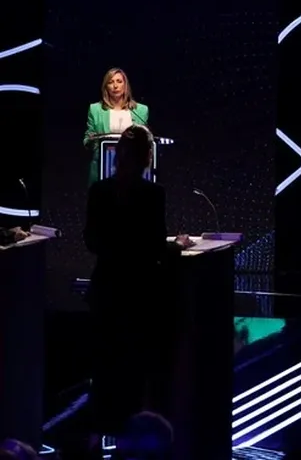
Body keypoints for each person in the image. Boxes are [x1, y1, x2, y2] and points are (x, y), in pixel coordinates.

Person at [84, 126, 192, 440]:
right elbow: (155, 246)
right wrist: (177, 246)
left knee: (105, 374)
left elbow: (91, 241)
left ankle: (102, 439)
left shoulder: (99, 191)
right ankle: (133, 442)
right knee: (133, 377)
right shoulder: (152, 194)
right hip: (139, 298)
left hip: (106, 293)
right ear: (147, 157)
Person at [84, 67, 150, 184]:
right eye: (111, 82)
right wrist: (95, 142)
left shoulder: (141, 110)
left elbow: (144, 141)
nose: (115, 86)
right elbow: (87, 141)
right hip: (103, 167)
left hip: (133, 170)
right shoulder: (95, 110)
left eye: (119, 81)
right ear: (106, 87)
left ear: (125, 85)